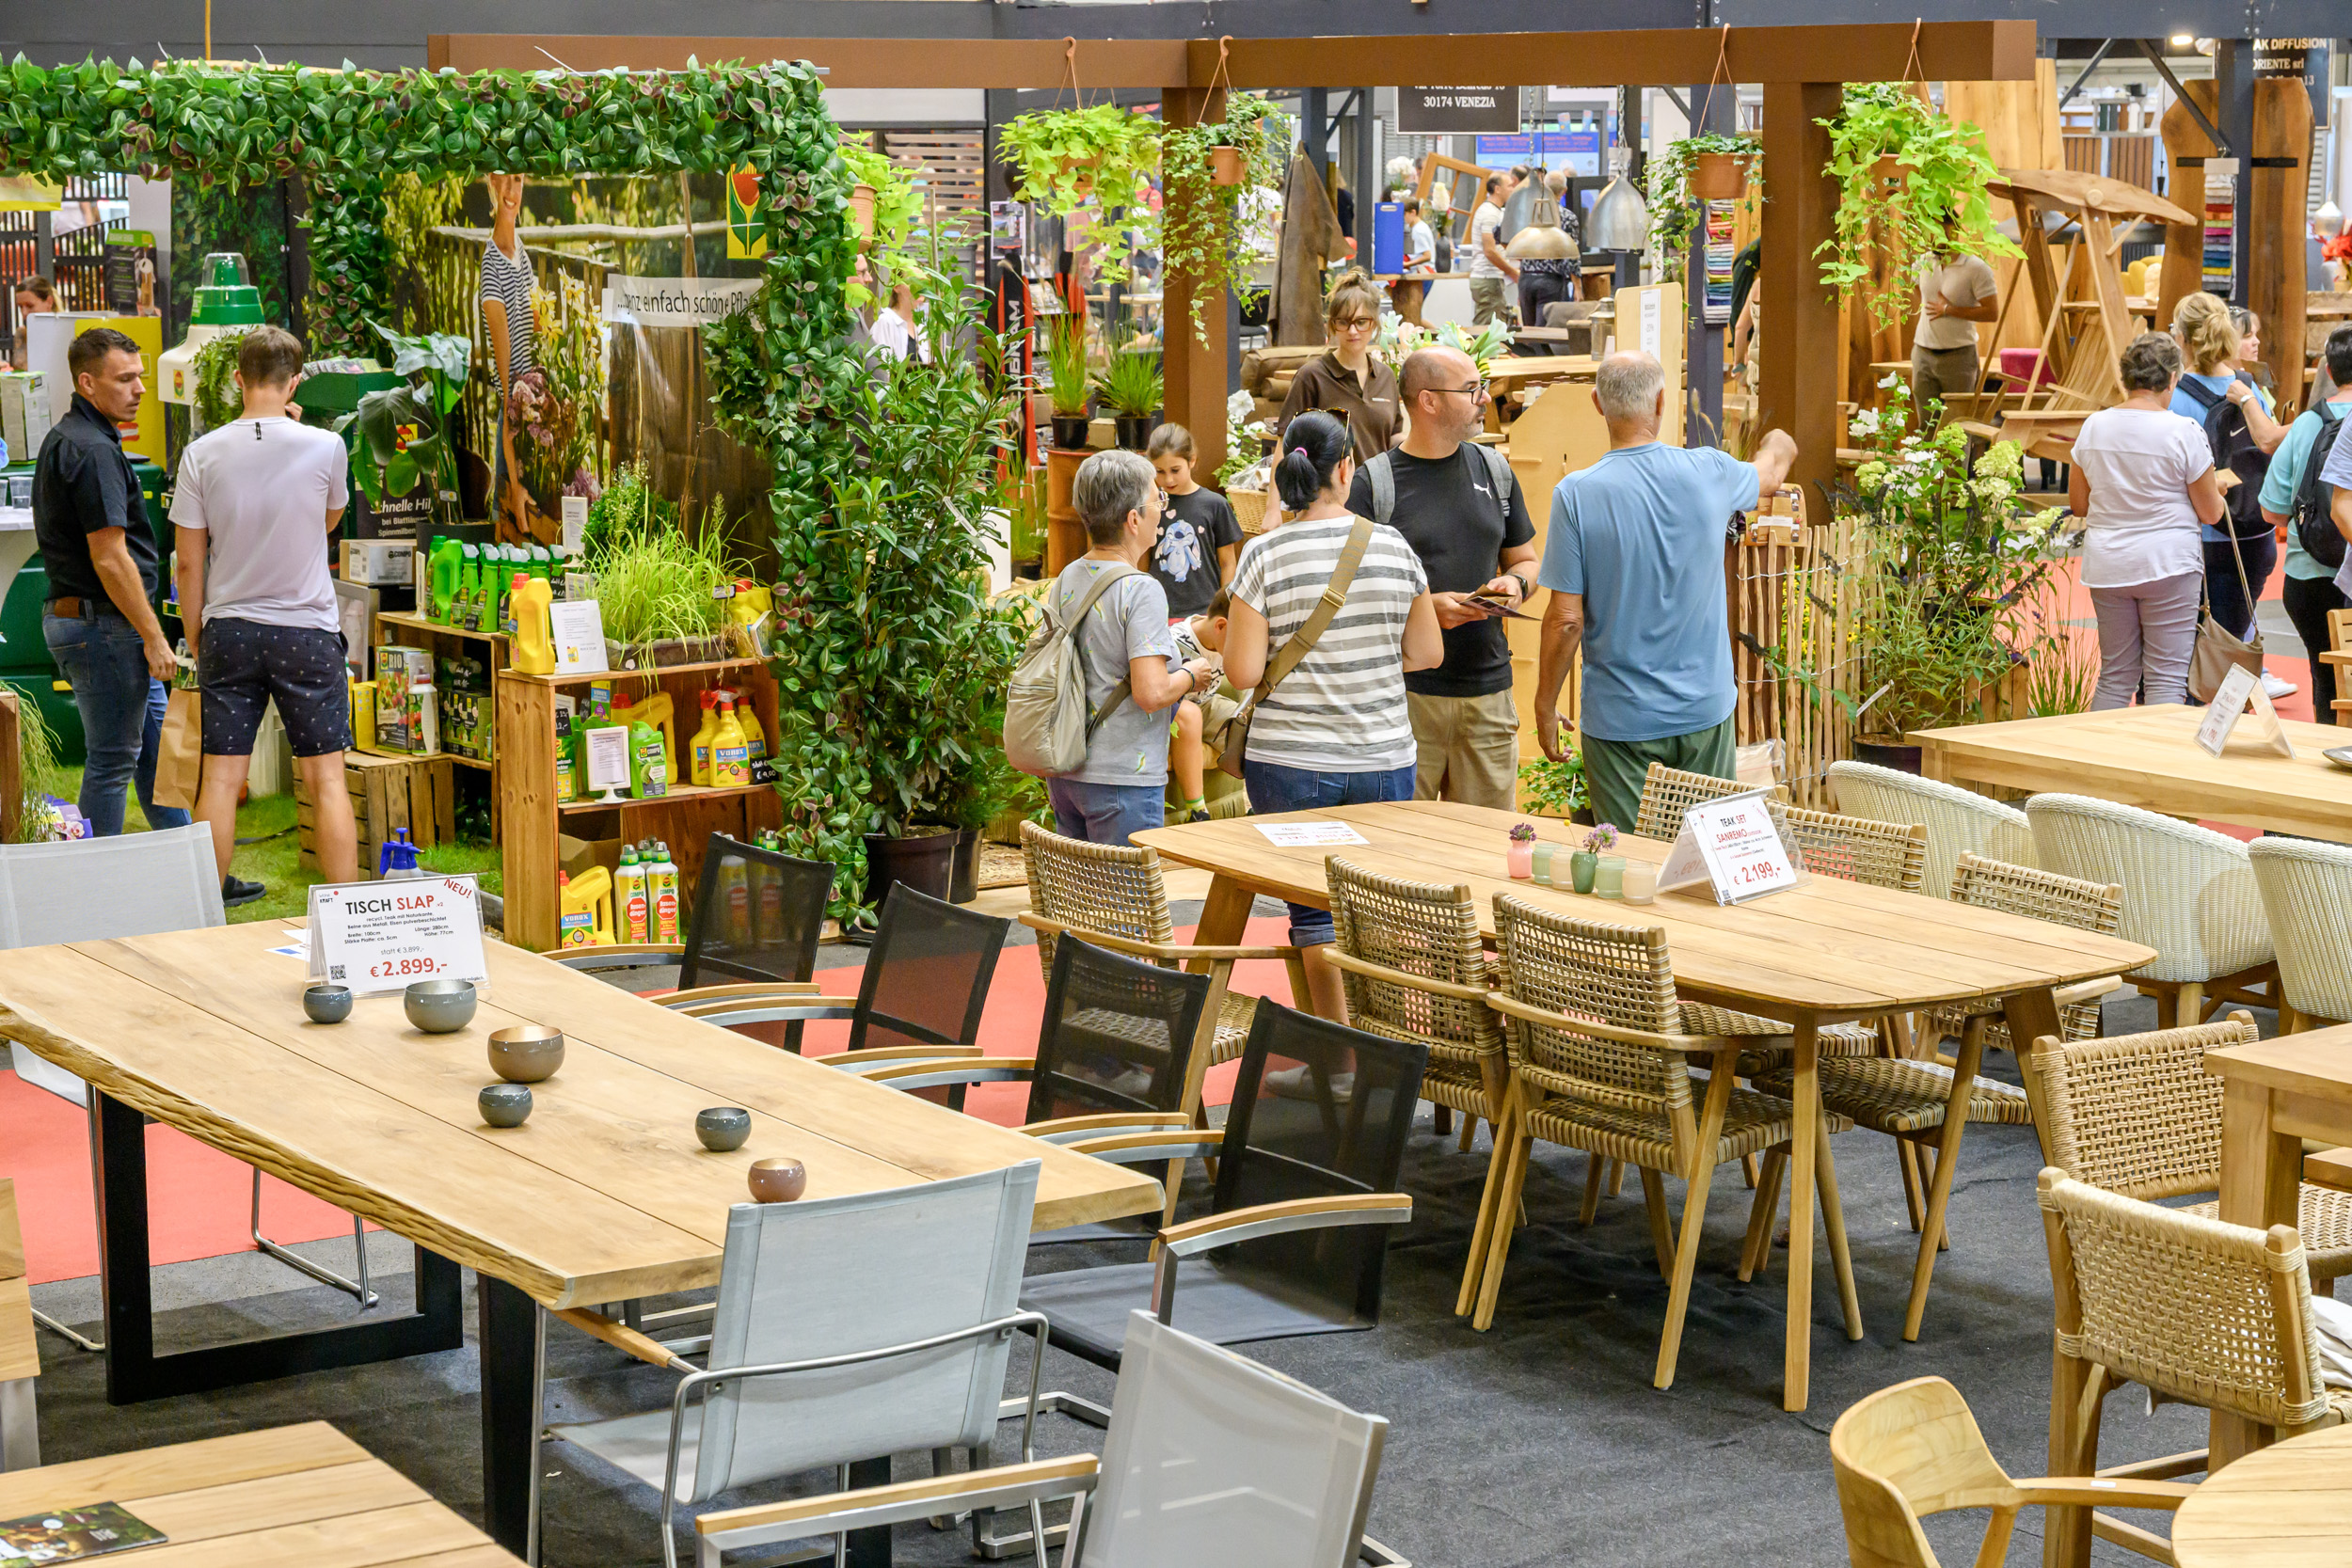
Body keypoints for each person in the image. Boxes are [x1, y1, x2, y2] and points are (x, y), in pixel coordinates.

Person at [1225, 410, 1442, 1021]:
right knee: (1375, 906)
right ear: (1346, 468)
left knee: (1315, 912)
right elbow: (1427, 652)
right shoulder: (1393, 545)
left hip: (1291, 762)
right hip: (1383, 758)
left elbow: (1242, 671)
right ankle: (1383, 1040)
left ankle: (1339, 1051)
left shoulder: (1264, 555)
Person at [1534, 352, 1798, 833]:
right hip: (1704, 711)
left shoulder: (1576, 494)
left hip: (1620, 720)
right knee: (1705, 853)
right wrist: (1779, 440)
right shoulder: (1710, 472)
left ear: (1597, 404)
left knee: (1634, 857)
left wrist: (1545, 704)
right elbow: (1772, 471)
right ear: (1661, 402)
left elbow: (1567, 620)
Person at [170, 325, 358, 901]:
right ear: (294, 382)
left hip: (229, 630)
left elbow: (188, 561)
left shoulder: (201, 453)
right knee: (326, 779)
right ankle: (347, 922)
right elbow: (327, 521)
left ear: (237, 378)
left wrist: (196, 632)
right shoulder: (325, 446)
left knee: (221, 779)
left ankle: (205, 914)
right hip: (307, 630)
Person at [1345, 345, 1536, 810]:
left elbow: (1526, 561)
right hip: (1404, 698)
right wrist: (1423, 611)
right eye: (1471, 389)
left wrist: (1516, 586)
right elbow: (1347, 595)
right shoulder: (1374, 484)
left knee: (1486, 843)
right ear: (1428, 401)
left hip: (1488, 694)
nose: (1484, 398)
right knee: (1401, 842)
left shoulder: (1495, 470)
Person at [32, 328, 194, 841]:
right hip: (104, 625)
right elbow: (109, 558)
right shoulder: (92, 450)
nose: (140, 389)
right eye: (125, 379)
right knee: (112, 759)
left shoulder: (72, 437)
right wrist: (153, 636)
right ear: (87, 383)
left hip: (94, 621)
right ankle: (91, 874)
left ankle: (194, 867)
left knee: (155, 756)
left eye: (139, 377)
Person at [1044, 449, 1216, 847]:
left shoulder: (1067, 576)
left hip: (1067, 768)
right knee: (1126, 888)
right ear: (1133, 519)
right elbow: (1151, 692)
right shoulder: (1141, 589)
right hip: (1123, 777)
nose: (1162, 509)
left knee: (1079, 885)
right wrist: (1191, 675)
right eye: (1158, 499)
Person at [2071, 332, 2229, 712]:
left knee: (2114, 676)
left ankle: (2097, 750)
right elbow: (2211, 513)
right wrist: (2217, 491)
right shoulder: (2183, 431)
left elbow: (2078, 504)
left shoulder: (2094, 426)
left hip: (2108, 564)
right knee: (2166, 678)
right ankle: (2159, 751)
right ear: (2172, 378)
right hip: (2168, 563)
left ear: (2126, 377)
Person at [2169, 293, 2288, 689]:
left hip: (2199, 538)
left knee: (2183, 660)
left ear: (2183, 339)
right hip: (2253, 533)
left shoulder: (2174, 396)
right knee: (2231, 651)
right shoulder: (2250, 388)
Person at [2262, 327, 2352, 722]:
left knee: (2327, 679)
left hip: (2310, 573)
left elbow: (2272, 511)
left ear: (2328, 371)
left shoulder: (2306, 424)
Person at [1276, 269, 1401, 458]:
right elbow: (1285, 443)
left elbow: (1392, 438)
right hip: (1327, 478)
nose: (1352, 331)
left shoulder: (1386, 376)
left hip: (1378, 478)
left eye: (1361, 322)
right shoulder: (1312, 376)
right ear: (1333, 325)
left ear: (1374, 324)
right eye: (1343, 322)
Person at [478, 172, 539, 541]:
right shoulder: (492, 269)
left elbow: (538, 332)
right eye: (503, 179)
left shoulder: (523, 256)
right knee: (509, 546)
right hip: (513, 430)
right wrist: (515, 486)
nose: (511, 190)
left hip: (533, 424)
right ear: (491, 183)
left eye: (517, 179)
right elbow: (507, 392)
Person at [1143, 423, 1240, 621]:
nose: (1168, 479)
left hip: (1204, 614)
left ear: (1192, 460)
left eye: (1175, 470)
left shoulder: (1215, 504)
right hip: (1157, 611)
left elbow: (1228, 562)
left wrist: (1223, 609)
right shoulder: (1150, 504)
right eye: (1159, 471)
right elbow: (1143, 559)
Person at [1911, 218, 1998, 420]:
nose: (1933, 236)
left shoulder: (1975, 268)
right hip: (1923, 353)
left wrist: (1950, 310)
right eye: (1929, 230)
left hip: (1958, 356)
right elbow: (1917, 289)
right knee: (1926, 424)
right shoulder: (1922, 262)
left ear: (1955, 230)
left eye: (1940, 229)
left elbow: (1992, 312)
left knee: (1958, 424)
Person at [1167, 590, 1232, 824]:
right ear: (1221, 626)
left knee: (1246, 722)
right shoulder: (1176, 641)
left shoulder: (1224, 643)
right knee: (1191, 715)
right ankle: (1197, 812)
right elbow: (1160, 688)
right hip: (1172, 707)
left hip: (1206, 702)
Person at [1467, 171, 1520, 328]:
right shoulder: (1490, 213)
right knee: (1486, 330)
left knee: (1495, 327)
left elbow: (1500, 245)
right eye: (1509, 186)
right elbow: (1489, 251)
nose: (1512, 189)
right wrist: (1512, 272)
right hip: (1487, 279)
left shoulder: (1495, 212)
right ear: (1497, 189)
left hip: (1490, 279)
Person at [1391, 198, 1435, 325]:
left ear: (1413, 212)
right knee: (1413, 313)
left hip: (1423, 273)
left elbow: (1427, 255)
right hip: (1422, 273)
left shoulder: (1418, 230)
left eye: (1404, 214)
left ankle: (1435, 332)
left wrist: (1406, 264)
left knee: (1413, 313)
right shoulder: (1418, 227)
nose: (1403, 218)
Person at [9, 274, 55, 371]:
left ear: (49, 302)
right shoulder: (22, 334)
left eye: (30, 306)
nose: (24, 312)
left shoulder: (64, 331)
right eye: (20, 307)